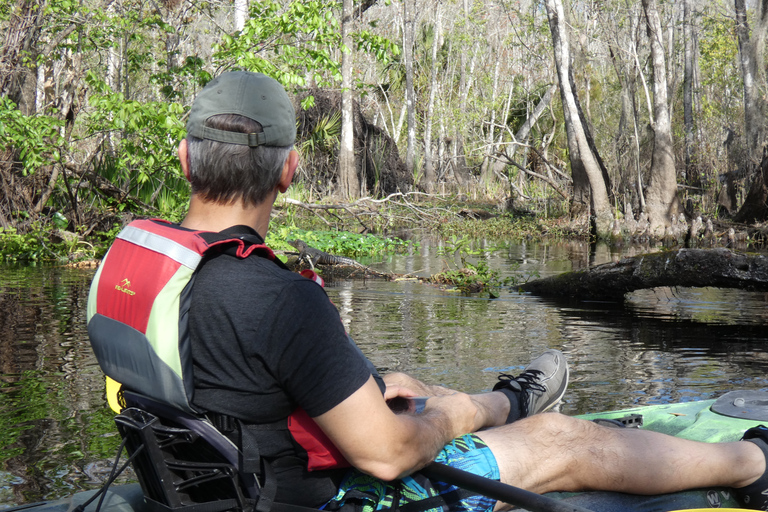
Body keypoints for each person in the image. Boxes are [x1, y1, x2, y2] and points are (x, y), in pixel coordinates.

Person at [87, 71, 768, 512]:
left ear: (183, 159)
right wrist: (439, 426)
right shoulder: (277, 297)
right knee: (560, 440)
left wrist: (407, 399)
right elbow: (386, 454)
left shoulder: (123, 268)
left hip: (199, 485)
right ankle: (749, 463)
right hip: (311, 502)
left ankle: (501, 400)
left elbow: (230, 378)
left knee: (404, 384)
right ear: (290, 169)